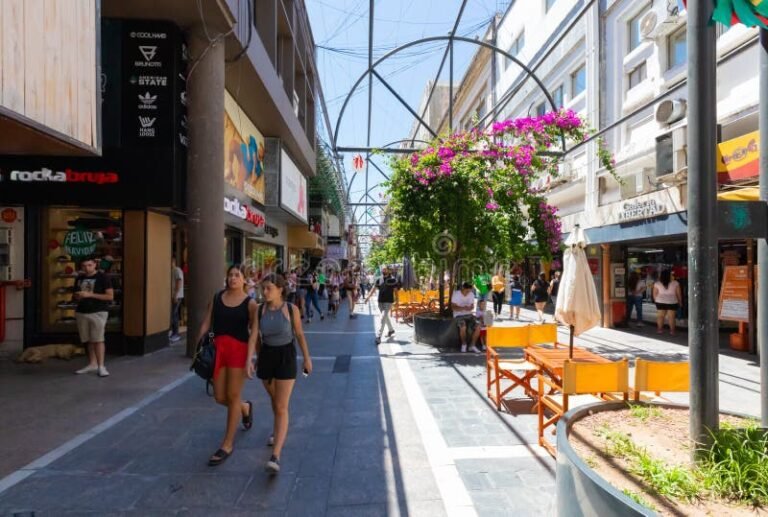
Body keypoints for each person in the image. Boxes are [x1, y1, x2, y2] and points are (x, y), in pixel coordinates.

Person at [248, 273, 312, 474]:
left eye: (268, 288)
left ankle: (275, 455)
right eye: (263, 288)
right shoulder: (259, 311)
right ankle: (277, 431)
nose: (264, 292)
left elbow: (300, 335)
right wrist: (249, 359)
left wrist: (307, 359)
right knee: (275, 401)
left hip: (286, 356)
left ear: (280, 289)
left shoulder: (291, 310)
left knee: (282, 406)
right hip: (266, 356)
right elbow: (253, 337)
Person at [198, 265, 257, 467]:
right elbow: (208, 323)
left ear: (244, 280)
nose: (232, 278)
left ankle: (227, 444)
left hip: (238, 351)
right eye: (230, 275)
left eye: (236, 275)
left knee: (232, 395)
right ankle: (245, 407)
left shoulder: (251, 304)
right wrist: (201, 343)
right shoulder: (217, 298)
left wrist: (251, 358)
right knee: (219, 397)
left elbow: (254, 334)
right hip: (219, 349)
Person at [74, 257, 115, 377]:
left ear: (95, 265)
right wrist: (78, 296)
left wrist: (90, 295)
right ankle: (92, 363)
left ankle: (101, 366)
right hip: (82, 311)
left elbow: (110, 296)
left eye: (89, 265)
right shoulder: (80, 278)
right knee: (88, 339)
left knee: (98, 338)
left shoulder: (103, 277)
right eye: (84, 266)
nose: (87, 268)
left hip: (98, 311)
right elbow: (75, 294)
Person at [365, 266, 399, 345]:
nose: (383, 270)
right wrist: (367, 297)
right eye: (383, 269)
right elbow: (373, 289)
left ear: (388, 271)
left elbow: (396, 291)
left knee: (383, 317)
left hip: (389, 301)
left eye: (385, 269)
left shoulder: (393, 280)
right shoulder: (379, 279)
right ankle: (391, 330)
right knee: (385, 317)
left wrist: (397, 300)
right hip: (380, 301)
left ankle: (378, 336)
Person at [452, 281, 481, 353]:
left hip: (469, 314)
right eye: (467, 291)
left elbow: (472, 306)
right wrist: (463, 308)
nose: (468, 293)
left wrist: (470, 308)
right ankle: (464, 344)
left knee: (478, 325)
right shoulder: (456, 294)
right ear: (463, 288)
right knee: (463, 326)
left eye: (469, 291)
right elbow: (453, 307)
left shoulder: (471, 294)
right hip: (458, 315)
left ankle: (472, 345)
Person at [653, 269, 682, 335]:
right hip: (672, 302)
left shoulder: (657, 283)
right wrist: (680, 302)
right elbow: (678, 294)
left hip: (660, 301)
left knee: (660, 316)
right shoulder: (675, 283)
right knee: (671, 317)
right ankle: (672, 331)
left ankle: (659, 330)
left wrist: (656, 301)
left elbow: (654, 294)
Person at [170, 256, 184, 343]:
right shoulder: (172, 270)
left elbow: (179, 282)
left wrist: (175, 295)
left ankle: (176, 334)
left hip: (177, 296)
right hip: (174, 296)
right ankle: (174, 333)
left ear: (173, 261)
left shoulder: (177, 270)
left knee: (173, 314)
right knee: (174, 314)